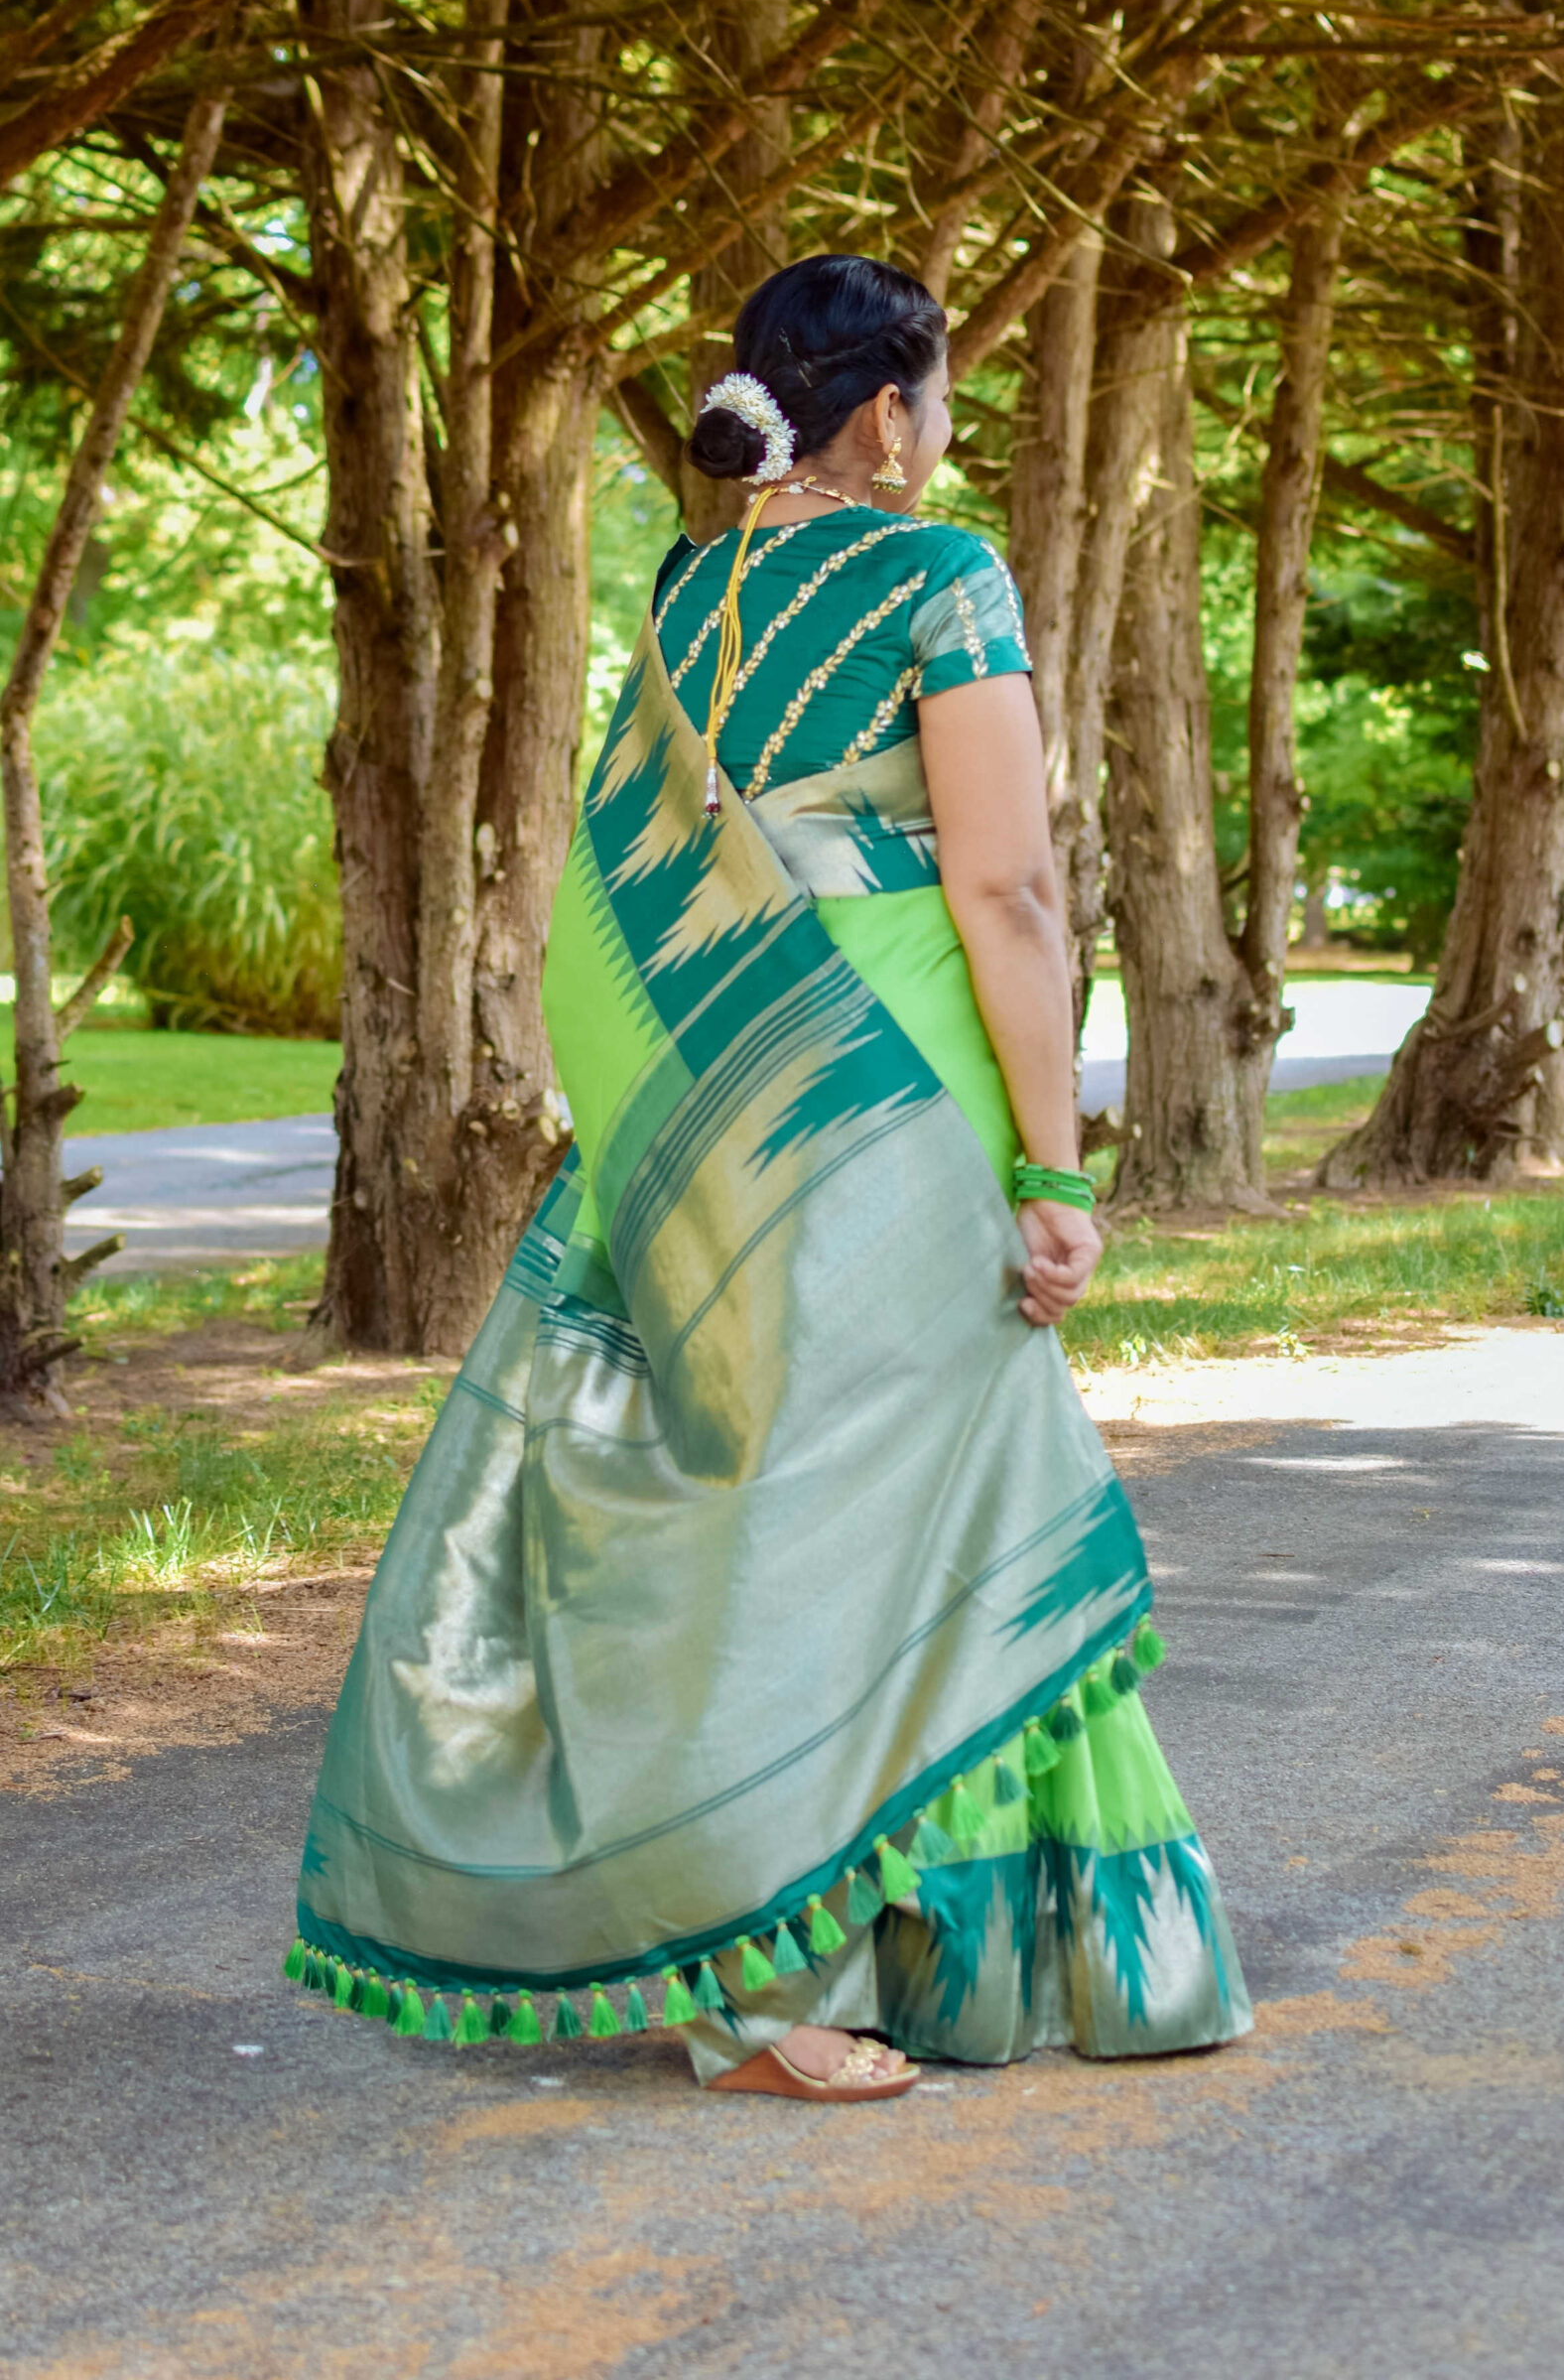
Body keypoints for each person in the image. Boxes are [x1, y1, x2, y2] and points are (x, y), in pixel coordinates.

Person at [287, 254, 1251, 2102]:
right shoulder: (937, 575)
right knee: (853, 1504)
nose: (944, 427)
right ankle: (763, 1986)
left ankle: (925, 1951)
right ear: (889, 411)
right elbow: (1008, 889)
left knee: (824, 1486)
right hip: (868, 1078)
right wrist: (1055, 1164)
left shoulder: (688, 583)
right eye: (940, 394)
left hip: (699, 1067)